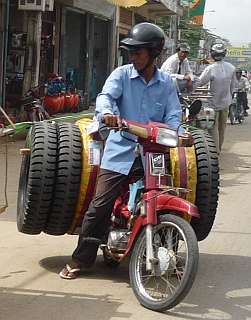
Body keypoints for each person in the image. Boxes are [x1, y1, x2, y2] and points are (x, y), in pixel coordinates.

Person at [59, 22, 184, 279]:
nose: (133, 57)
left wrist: (180, 132)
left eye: (138, 52)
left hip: (154, 153)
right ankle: (80, 259)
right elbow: (106, 97)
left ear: (153, 54)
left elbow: (173, 115)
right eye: (131, 52)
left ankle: (166, 256)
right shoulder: (122, 74)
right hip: (120, 150)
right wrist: (107, 114)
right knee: (100, 205)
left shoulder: (167, 84)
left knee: (167, 205)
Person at [195, 43, 235, 155]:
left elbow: (200, 82)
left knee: (213, 128)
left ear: (212, 54)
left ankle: (215, 151)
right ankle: (219, 149)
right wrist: (229, 98)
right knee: (222, 129)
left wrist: (189, 80)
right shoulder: (231, 68)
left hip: (213, 103)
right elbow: (233, 87)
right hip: (226, 103)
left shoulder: (210, 68)